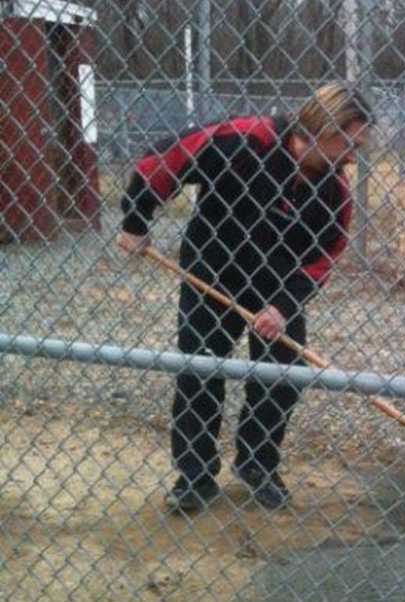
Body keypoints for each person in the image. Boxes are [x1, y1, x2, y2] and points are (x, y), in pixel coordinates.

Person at [117, 83, 373, 512]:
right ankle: (195, 474)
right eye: (349, 142)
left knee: (283, 378)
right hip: (211, 277)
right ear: (321, 129)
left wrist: (283, 307)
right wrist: (136, 219)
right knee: (199, 369)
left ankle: (257, 463)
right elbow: (164, 161)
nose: (354, 154)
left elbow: (324, 256)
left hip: (276, 289)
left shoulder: (334, 193)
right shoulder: (242, 140)